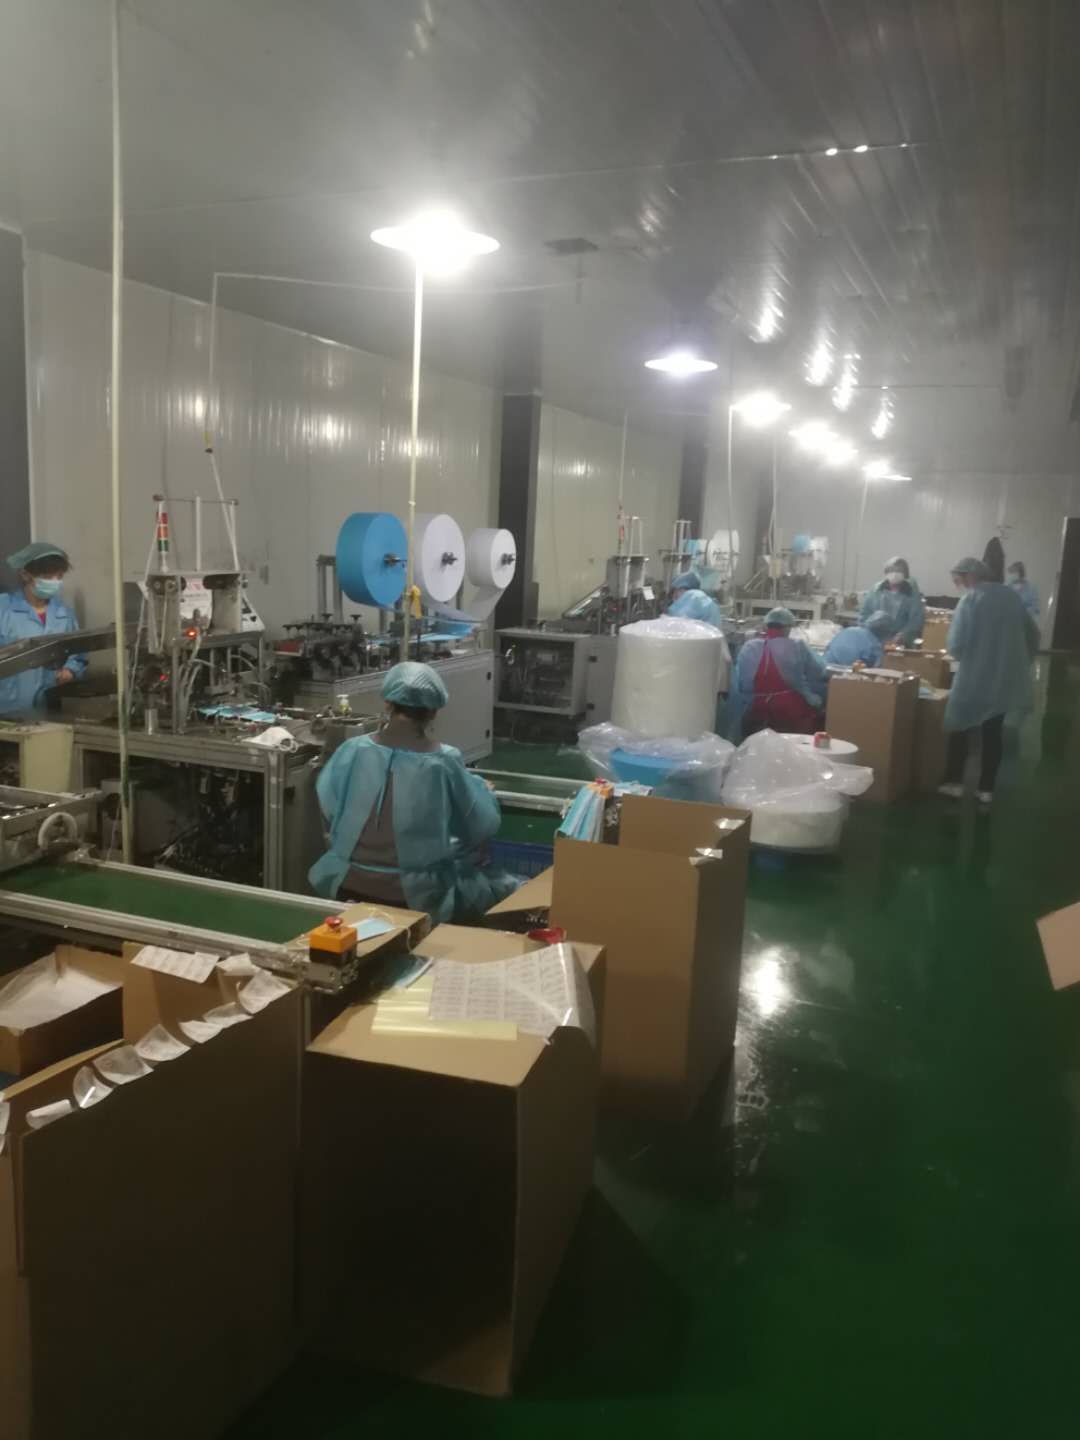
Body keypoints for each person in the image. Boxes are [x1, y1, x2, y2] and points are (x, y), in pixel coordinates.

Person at [308, 661, 518, 922]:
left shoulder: (353, 750)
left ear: (387, 703)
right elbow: (479, 824)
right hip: (416, 895)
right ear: (434, 712)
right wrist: (481, 790)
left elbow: (329, 805)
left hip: (346, 882)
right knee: (505, 886)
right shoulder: (443, 761)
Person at [938, 557, 1039, 805]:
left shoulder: (970, 600)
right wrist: (1018, 663)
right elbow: (1033, 635)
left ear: (970, 576)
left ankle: (954, 784)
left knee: (960, 728)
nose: (960, 585)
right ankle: (986, 789)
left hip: (974, 678)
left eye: (960, 580)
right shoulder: (1011, 597)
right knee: (993, 733)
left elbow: (956, 645)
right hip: (1003, 679)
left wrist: (963, 656)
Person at [0, 541, 87, 716]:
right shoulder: (4, 608)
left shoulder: (64, 613)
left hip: (48, 709)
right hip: (6, 708)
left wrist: (70, 670)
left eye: (59, 576)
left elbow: (78, 654)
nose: (54, 582)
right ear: (25, 575)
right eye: (47, 576)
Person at [728, 606, 828, 741]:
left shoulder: (749, 647)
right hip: (790, 710)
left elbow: (740, 681)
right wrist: (814, 697)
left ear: (766, 625)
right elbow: (818, 673)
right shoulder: (797, 646)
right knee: (792, 744)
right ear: (787, 628)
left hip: (756, 709)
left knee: (757, 745)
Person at [859, 556, 925, 645]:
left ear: (905, 574)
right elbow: (864, 614)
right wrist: (865, 634)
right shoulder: (876, 590)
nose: (895, 574)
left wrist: (902, 636)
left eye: (899, 571)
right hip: (873, 638)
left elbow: (916, 620)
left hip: (899, 642)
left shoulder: (911, 593)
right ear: (886, 572)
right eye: (891, 570)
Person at [824, 610, 894, 669]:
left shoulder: (848, 630)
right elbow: (877, 670)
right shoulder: (875, 645)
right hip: (846, 676)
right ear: (885, 632)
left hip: (825, 668)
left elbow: (828, 648)